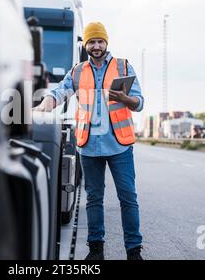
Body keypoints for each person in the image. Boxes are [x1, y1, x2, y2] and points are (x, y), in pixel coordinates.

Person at [34, 22, 144, 260]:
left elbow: (140, 103)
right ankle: (96, 251)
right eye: (91, 42)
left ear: (106, 42)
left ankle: (133, 251)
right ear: (86, 44)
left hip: (119, 145)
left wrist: (125, 98)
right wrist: (43, 106)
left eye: (99, 41)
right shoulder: (77, 71)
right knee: (94, 199)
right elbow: (58, 93)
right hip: (88, 146)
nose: (96, 46)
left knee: (128, 197)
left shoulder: (123, 66)